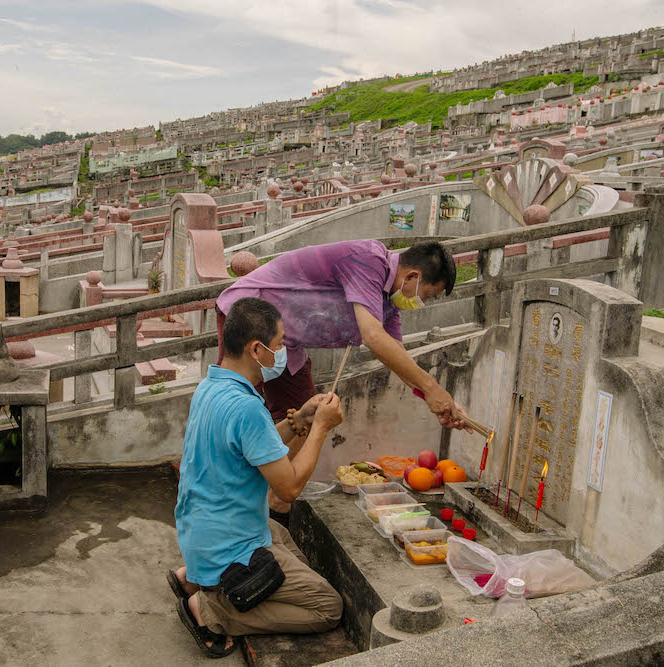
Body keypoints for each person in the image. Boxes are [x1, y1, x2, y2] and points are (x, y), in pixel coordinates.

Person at [215, 239, 471, 515]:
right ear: (412, 276)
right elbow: (373, 337)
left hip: (288, 342)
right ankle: (227, 493)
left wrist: (441, 402)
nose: (423, 303)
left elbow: (397, 356)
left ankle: (276, 503)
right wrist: (432, 388)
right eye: (428, 296)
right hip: (250, 318)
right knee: (235, 409)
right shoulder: (368, 260)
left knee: (304, 415)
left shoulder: (388, 301)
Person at [170, 297, 345, 658]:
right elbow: (290, 486)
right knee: (328, 607)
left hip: (202, 532)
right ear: (256, 349)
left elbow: (255, 444)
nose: (282, 353)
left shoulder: (213, 386)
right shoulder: (248, 407)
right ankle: (213, 609)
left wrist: (301, 419)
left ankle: (193, 576)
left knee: (277, 533)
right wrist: (320, 429)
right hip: (227, 548)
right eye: (279, 345)